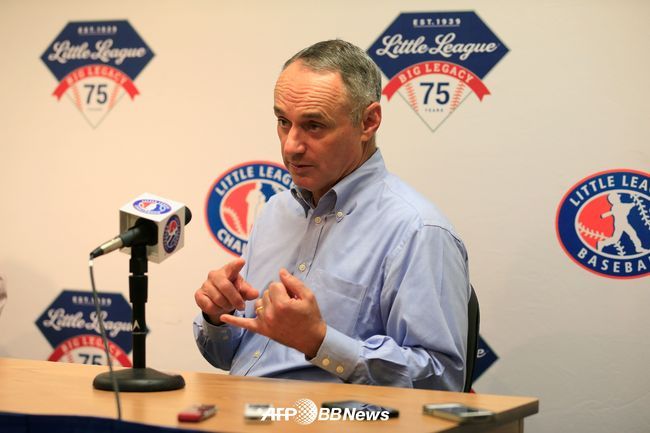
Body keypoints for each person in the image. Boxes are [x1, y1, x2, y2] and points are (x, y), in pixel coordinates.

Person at [194, 40, 471, 390]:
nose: (291, 146)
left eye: (314, 126)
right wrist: (217, 316)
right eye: (283, 121)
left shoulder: (417, 230)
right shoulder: (276, 211)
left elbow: (441, 381)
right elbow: (228, 357)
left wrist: (320, 342)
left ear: (368, 121)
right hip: (239, 409)